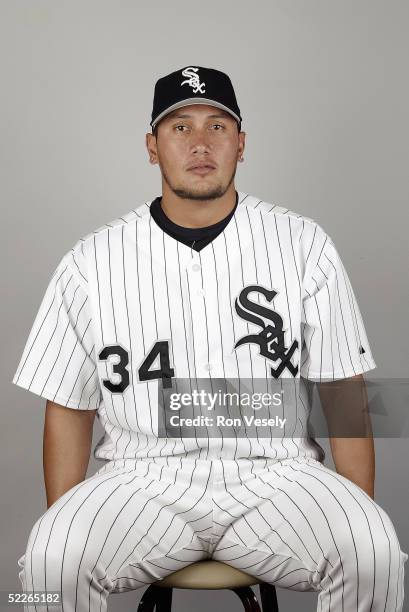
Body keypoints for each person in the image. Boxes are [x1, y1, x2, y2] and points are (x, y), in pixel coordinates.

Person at [12, 65, 407, 611]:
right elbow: (69, 407)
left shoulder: (303, 244)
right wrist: (63, 524)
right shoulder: (90, 261)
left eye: (217, 126)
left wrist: (356, 515)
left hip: (280, 477)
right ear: (152, 146)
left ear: (241, 143)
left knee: (375, 553)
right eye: (179, 127)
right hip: (142, 480)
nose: (200, 143)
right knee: (51, 559)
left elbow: (345, 392)